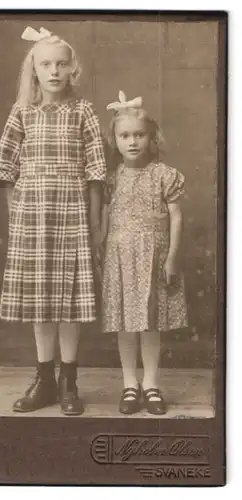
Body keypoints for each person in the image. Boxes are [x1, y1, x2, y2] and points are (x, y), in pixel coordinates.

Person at [0, 26, 106, 416]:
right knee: (41, 304)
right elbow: (6, 167)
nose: (54, 70)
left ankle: (68, 381)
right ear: (34, 70)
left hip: (72, 215)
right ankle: (44, 381)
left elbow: (95, 173)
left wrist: (93, 223)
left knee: (69, 303)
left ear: (73, 68)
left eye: (61, 63)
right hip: (31, 217)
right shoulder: (21, 112)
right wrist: (15, 213)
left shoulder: (83, 111)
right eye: (46, 64)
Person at [101, 91, 188, 415]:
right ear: (115, 140)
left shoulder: (164, 175)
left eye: (139, 135)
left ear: (151, 137)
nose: (132, 142)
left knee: (151, 324)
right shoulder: (112, 178)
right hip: (121, 259)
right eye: (125, 136)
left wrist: (172, 258)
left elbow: (176, 217)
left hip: (154, 258)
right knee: (126, 324)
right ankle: (129, 384)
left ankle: (151, 384)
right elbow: (105, 218)